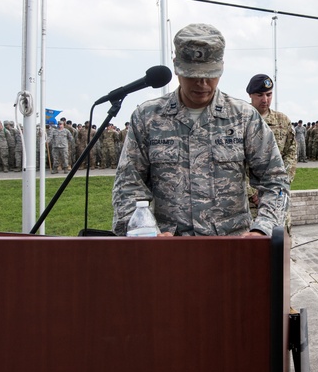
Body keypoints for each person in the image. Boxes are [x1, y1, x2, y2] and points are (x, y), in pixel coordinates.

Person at [112, 23, 289, 237]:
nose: (202, 83)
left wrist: (264, 228)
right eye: (193, 75)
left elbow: (275, 179)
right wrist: (144, 233)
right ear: (177, 66)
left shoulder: (243, 117)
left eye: (210, 74)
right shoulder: (148, 118)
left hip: (231, 249)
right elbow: (128, 185)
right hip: (169, 250)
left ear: (221, 67)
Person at [245, 73, 297, 228]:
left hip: (277, 197)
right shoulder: (241, 121)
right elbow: (235, 163)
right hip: (250, 202)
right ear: (250, 95)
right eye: (260, 95)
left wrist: (280, 185)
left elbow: (291, 153)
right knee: (253, 244)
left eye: (268, 95)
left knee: (280, 243)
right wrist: (251, 192)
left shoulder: (282, 121)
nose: (265, 100)